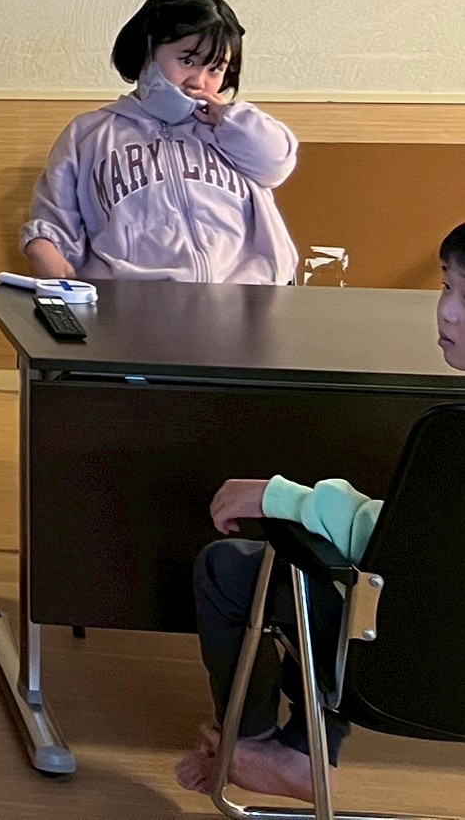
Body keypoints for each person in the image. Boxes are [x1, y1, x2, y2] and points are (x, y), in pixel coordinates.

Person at [172, 222, 465, 802]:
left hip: (415, 669)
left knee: (239, 570)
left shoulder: (449, 440)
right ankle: (296, 750)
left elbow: (392, 545)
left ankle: (257, 743)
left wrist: (285, 498)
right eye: (448, 285)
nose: (449, 311)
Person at [23, 0, 298, 284]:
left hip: (244, 296)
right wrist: (42, 246)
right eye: (187, 61)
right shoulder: (88, 135)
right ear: (147, 51)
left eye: (215, 69)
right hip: (134, 300)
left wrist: (230, 119)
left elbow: (277, 163)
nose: (198, 81)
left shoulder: (233, 133)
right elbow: (55, 222)